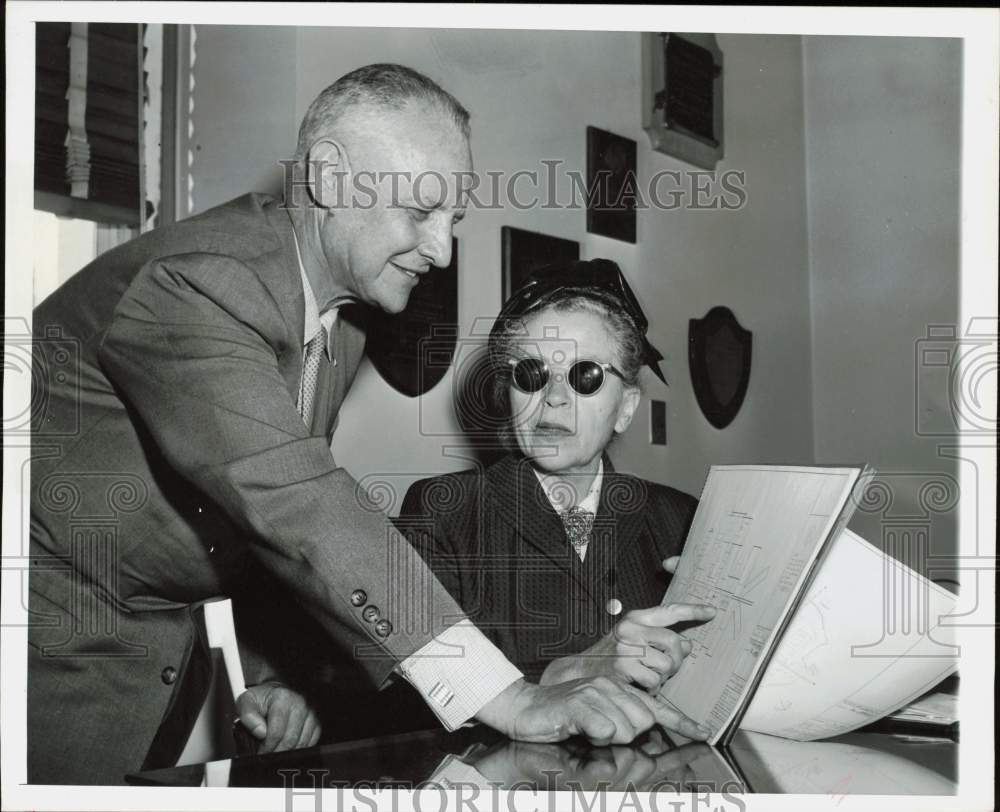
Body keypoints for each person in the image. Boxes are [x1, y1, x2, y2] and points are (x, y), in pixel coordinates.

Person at [27, 65, 708, 786]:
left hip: (141, 648)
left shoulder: (341, 320)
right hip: (44, 640)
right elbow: (294, 496)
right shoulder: (203, 280)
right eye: (420, 212)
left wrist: (271, 672)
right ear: (328, 175)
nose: (442, 251)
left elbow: (254, 514)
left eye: (454, 220)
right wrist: (508, 695)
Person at [398, 259, 716, 685]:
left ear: (626, 408)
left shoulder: (681, 520)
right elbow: (416, 687)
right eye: (532, 373)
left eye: (585, 375)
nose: (553, 398)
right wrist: (564, 673)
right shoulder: (444, 513)